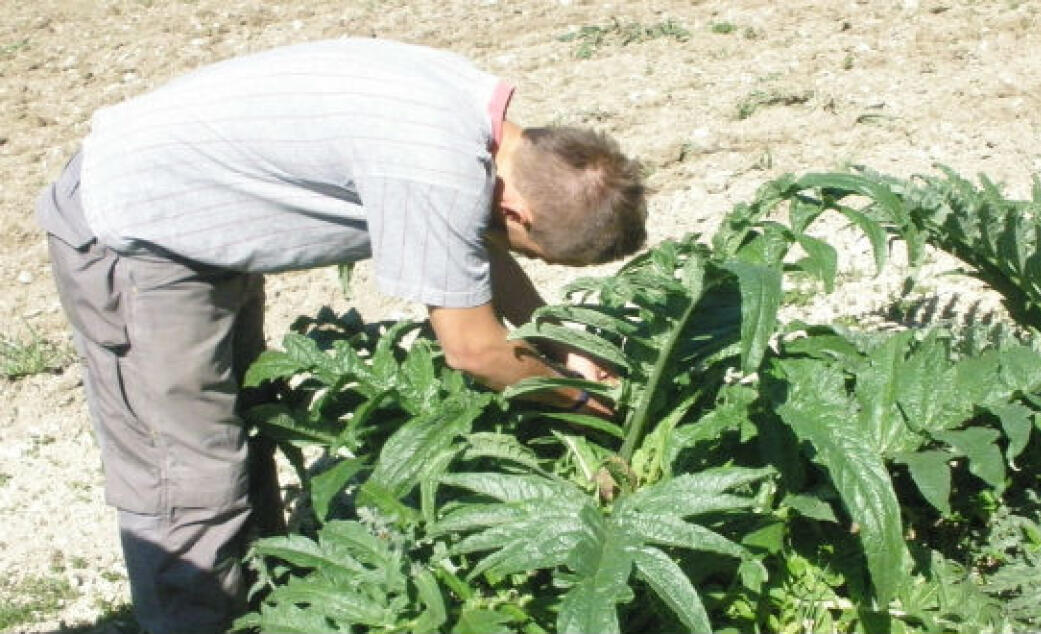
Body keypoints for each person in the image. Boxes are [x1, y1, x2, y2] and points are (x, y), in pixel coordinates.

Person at [36, 38, 646, 633]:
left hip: (197, 217)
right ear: (518, 214)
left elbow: (471, 238)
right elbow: (473, 351)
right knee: (187, 480)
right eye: (534, 250)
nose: (517, 249)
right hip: (134, 233)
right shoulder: (437, 168)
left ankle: (265, 613)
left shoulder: (478, 122)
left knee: (239, 433)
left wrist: (557, 338)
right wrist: (582, 405)